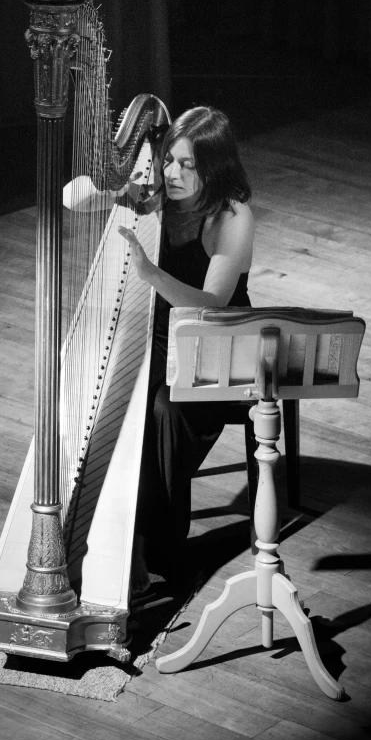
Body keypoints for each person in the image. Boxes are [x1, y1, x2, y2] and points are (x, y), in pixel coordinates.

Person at [117, 106, 254, 593]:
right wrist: (99, 190)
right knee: (115, 406)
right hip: (158, 338)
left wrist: (151, 274)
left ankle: (155, 554)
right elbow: (72, 198)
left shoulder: (231, 216)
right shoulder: (156, 197)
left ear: (213, 168)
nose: (171, 173)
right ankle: (93, 541)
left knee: (164, 411)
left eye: (187, 165)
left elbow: (211, 305)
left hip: (216, 342)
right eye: (168, 160)